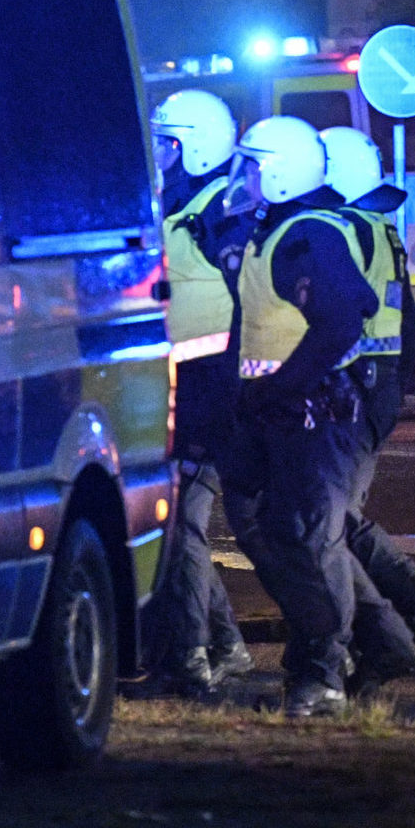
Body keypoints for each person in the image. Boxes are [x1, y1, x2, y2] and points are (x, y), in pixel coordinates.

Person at [221, 116, 415, 717]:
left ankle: (323, 677)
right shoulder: (281, 230)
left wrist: (285, 384)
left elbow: (345, 316)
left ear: (279, 173)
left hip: (314, 417)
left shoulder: (308, 235)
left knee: (310, 542)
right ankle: (378, 647)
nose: (245, 179)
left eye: (254, 167)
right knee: (289, 535)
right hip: (279, 417)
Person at [316, 126, 415, 687]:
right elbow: (402, 330)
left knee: (329, 527)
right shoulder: (378, 230)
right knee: (334, 523)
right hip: (368, 396)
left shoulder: (348, 233)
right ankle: (410, 615)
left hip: (349, 399)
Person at [142, 89, 256, 698]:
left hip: (212, 391)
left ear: (193, 145)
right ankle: (228, 645)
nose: (155, 151)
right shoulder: (180, 203)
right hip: (183, 388)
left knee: (182, 525)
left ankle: (189, 659)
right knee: (177, 524)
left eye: (166, 142)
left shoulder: (220, 213)